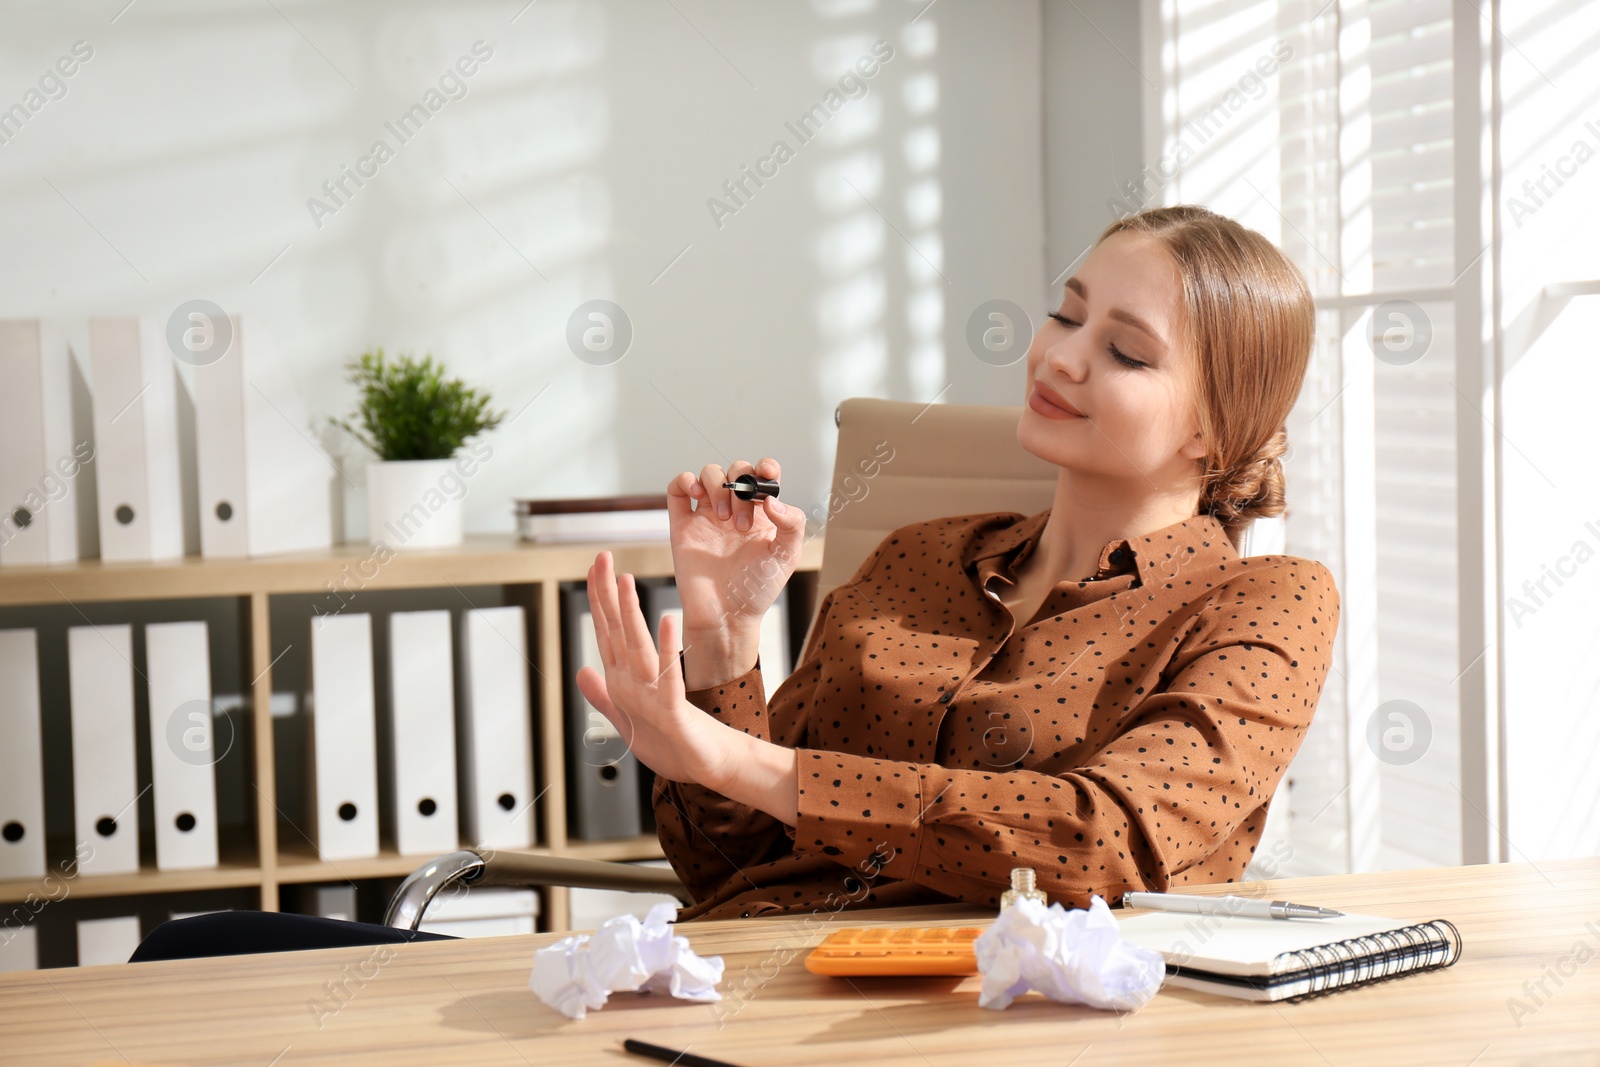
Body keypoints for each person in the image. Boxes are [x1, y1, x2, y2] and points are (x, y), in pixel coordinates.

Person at [577, 203, 1340, 922]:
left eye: (1126, 352)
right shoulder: (917, 556)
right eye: (1067, 315)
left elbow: (1102, 840)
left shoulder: (1269, 602)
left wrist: (741, 761)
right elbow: (724, 866)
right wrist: (726, 636)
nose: (1061, 356)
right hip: (759, 982)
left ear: (1214, 427)